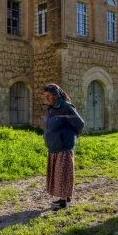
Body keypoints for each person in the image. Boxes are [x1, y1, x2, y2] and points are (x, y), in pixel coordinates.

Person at [43, 83, 85, 211]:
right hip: (54, 146)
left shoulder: (66, 107)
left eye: (50, 95)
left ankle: (63, 202)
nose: (47, 98)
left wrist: (72, 136)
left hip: (64, 146)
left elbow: (80, 123)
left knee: (63, 174)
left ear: (57, 95)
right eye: (45, 95)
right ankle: (64, 197)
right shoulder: (50, 108)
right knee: (57, 174)